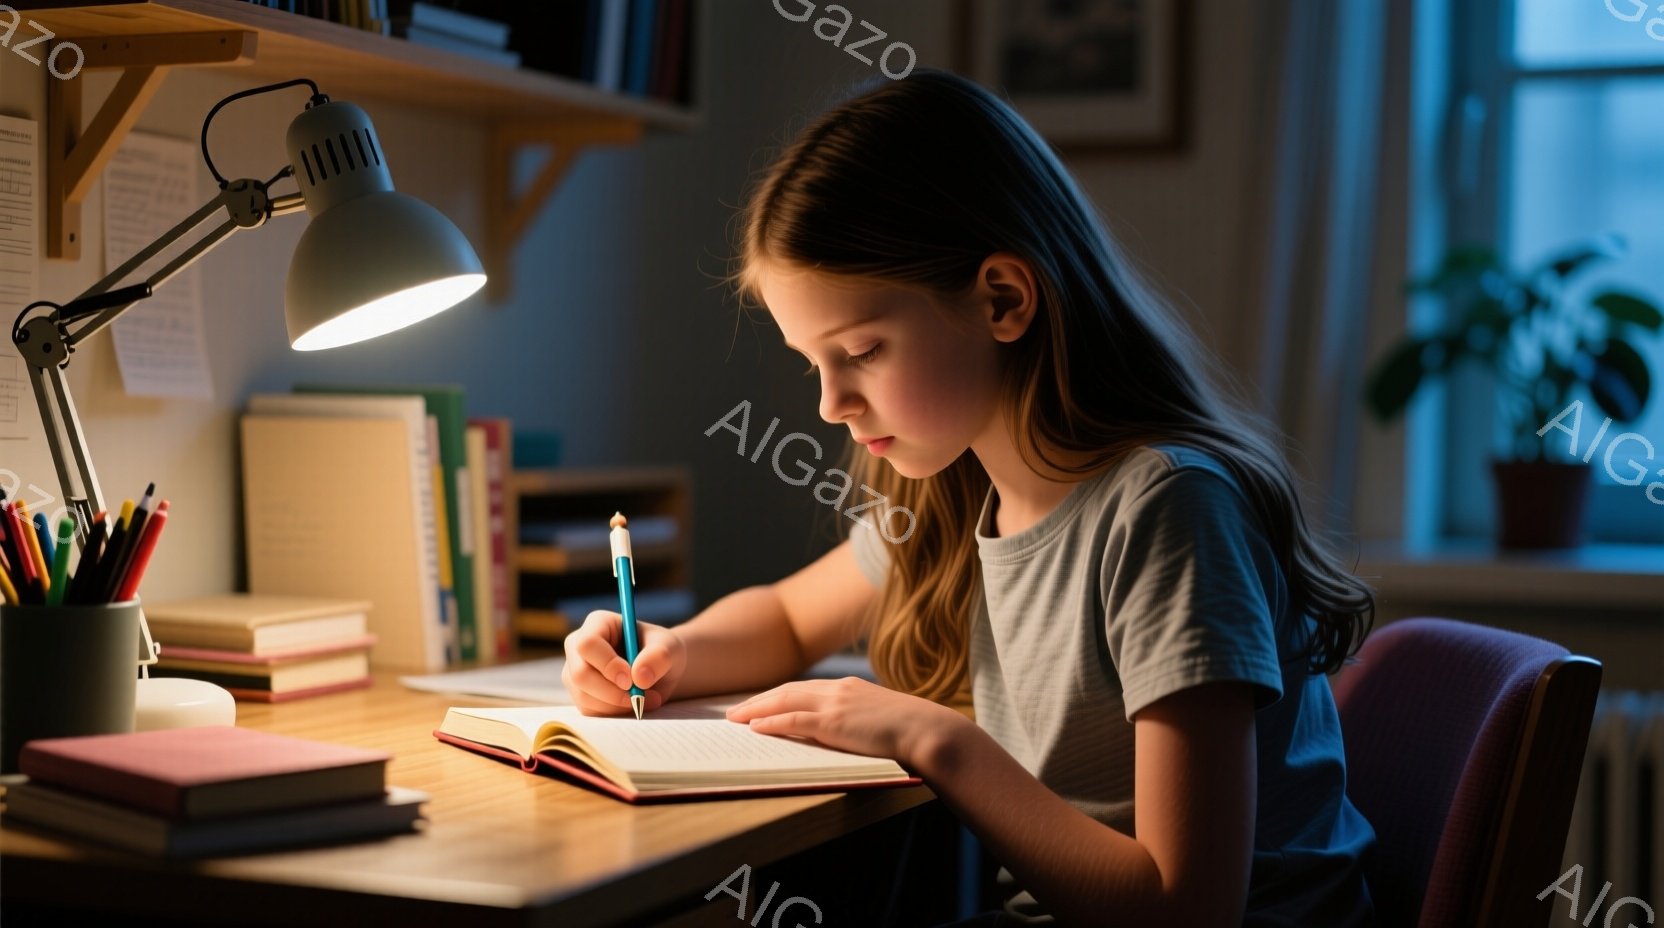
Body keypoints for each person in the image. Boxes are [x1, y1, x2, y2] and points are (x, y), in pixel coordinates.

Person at [563, 68, 1377, 927]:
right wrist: (664, 656)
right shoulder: (960, 487)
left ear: (1003, 300)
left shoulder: (1169, 513)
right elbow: (791, 621)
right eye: (814, 364)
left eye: (862, 352)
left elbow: (1187, 909)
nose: (830, 405)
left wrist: (936, 739)